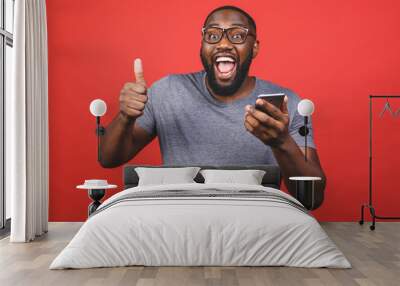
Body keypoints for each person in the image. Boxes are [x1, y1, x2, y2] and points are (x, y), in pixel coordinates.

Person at [100, 5, 326, 209]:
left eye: (237, 35)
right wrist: (125, 117)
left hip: (257, 219)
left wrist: (282, 142)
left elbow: (312, 198)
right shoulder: (167, 91)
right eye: (213, 35)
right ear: (202, 46)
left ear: (254, 47)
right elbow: (108, 158)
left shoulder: (285, 104)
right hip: (180, 216)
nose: (224, 43)